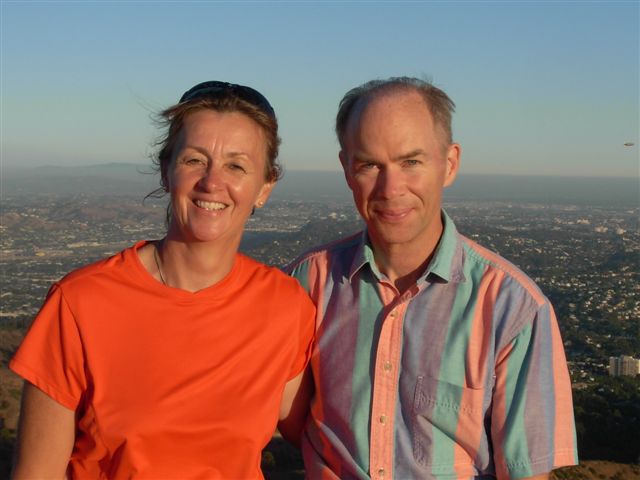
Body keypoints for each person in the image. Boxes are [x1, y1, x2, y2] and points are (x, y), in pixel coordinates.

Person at [10, 81, 315, 479]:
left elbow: (322, 438)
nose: (212, 182)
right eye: (194, 160)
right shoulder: (81, 302)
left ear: (265, 187)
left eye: (237, 166)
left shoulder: (284, 307)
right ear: (166, 170)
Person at [286, 77, 578, 479]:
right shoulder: (310, 282)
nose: (391, 189)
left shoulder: (513, 307)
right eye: (370, 164)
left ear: (450, 163)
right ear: (346, 169)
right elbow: (283, 418)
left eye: (411, 161)